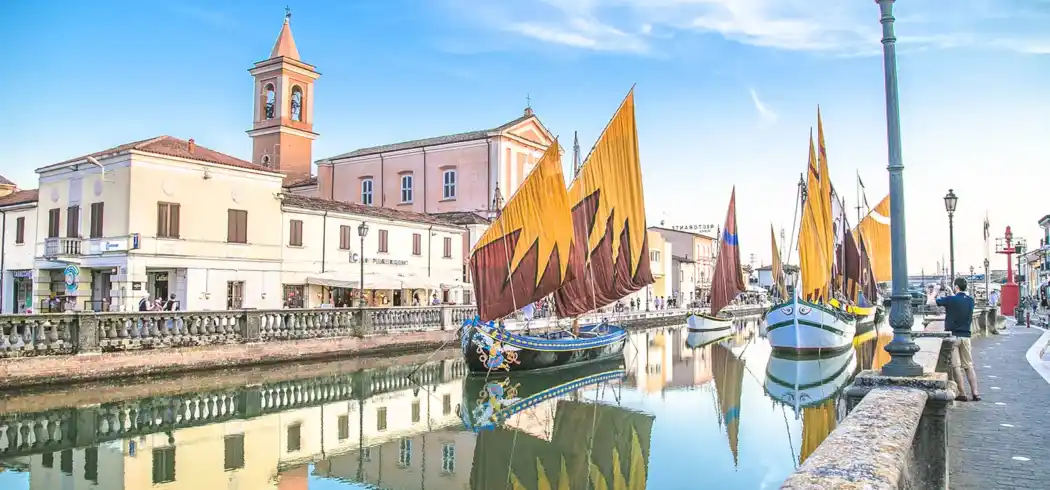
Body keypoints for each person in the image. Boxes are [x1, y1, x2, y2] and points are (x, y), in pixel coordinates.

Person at [930, 277, 981, 402]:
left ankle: (962, 393)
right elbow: (958, 301)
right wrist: (951, 291)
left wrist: (934, 292)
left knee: (956, 366)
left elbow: (930, 303)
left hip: (953, 337)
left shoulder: (950, 300)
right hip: (966, 337)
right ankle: (975, 393)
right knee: (969, 365)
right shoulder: (970, 300)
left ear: (956, 287)